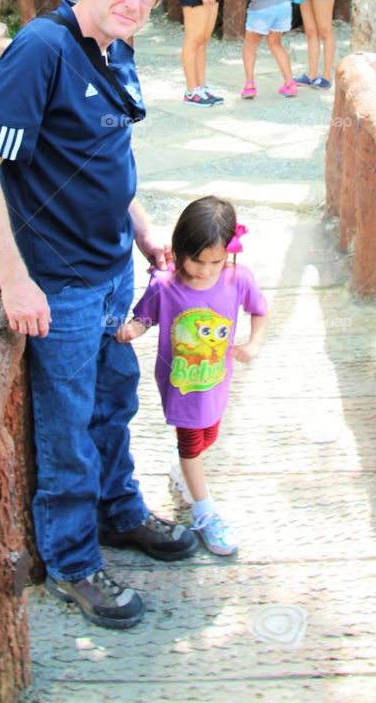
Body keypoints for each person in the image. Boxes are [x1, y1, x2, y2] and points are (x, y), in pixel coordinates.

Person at [0, 0, 198, 634]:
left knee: (111, 403)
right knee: (66, 426)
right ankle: (70, 561)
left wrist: (146, 228)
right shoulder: (42, 50)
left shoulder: (115, 48)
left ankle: (118, 511)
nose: (134, 1)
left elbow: (106, 157)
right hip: (56, 283)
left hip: (110, 270)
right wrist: (14, 281)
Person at [117, 196, 268, 556]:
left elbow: (260, 311)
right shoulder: (166, 286)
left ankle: (181, 469)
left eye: (215, 262)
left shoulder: (237, 280)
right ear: (180, 247)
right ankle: (205, 513)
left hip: (216, 382)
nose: (204, 270)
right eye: (196, 260)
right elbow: (146, 317)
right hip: (181, 386)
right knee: (191, 447)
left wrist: (254, 342)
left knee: (207, 437)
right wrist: (131, 331)